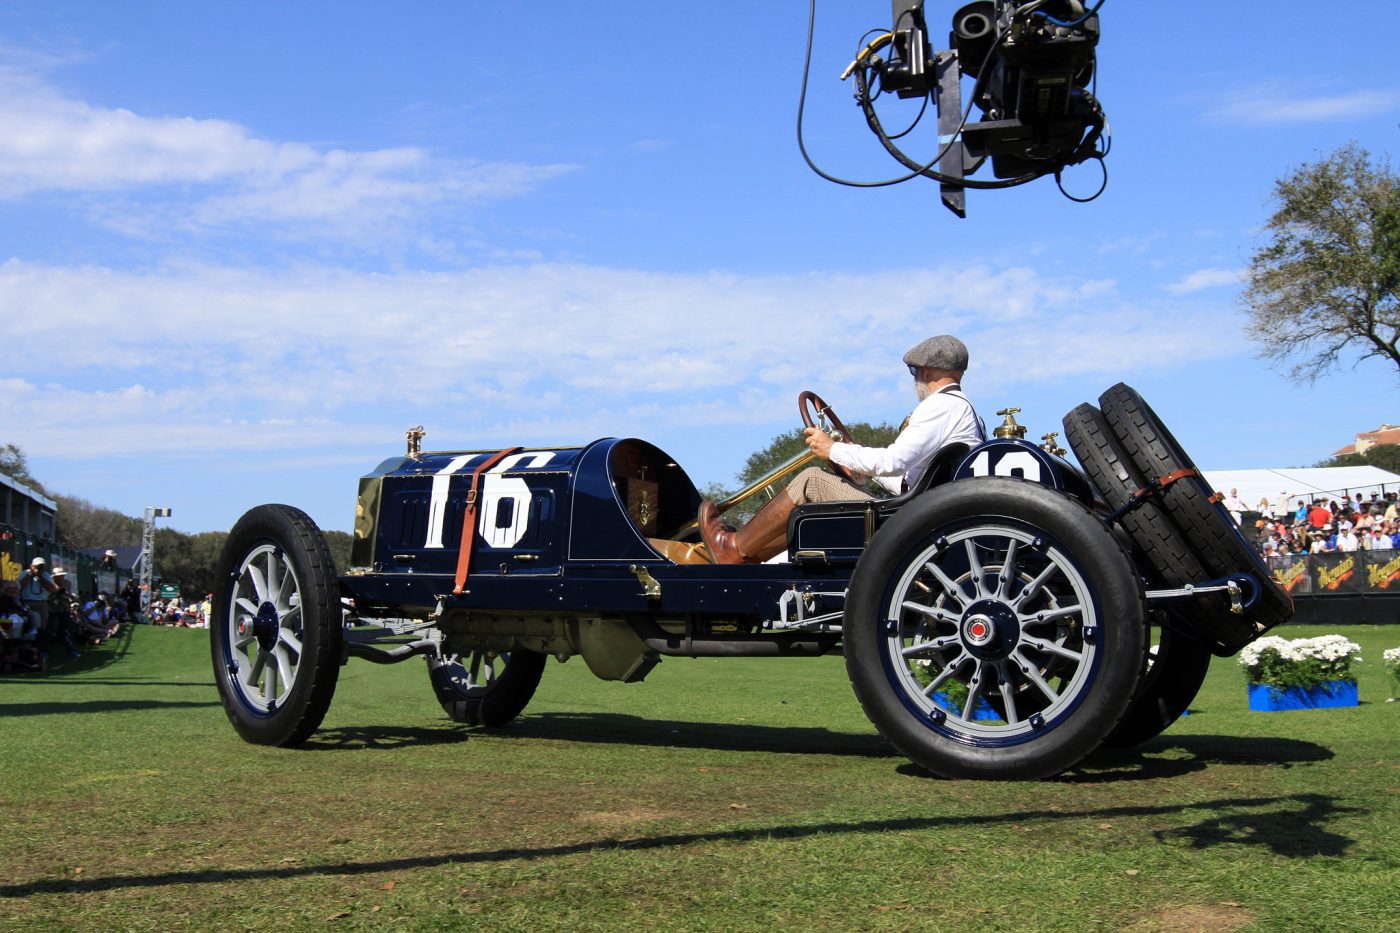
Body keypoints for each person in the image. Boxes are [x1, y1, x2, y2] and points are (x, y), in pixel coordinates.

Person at [698, 335, 985, 565]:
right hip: (922, 513)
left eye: (914, 372)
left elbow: (893, 461)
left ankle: (732, 548)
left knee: (812, 479)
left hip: (907, 519)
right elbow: (909, 479)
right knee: (818, 491)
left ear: (925, 372)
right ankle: (750, 556)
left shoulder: (940, 406)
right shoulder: (967, 412)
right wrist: (854, 462)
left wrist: (833, 449)